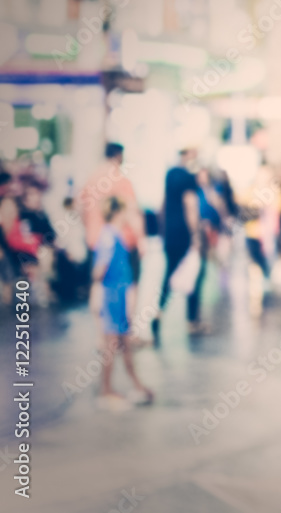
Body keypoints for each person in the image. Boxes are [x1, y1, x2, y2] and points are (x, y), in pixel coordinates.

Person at [93, 197, 153, 411]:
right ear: (118, 212)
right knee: (113, 344)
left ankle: (135, 385)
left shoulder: (114, 235)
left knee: (124, 344)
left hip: (117, 295)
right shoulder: (110, 236)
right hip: (114, 296)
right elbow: (99, 269)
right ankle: (106, 390)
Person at [80, 143, 145, 313]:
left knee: (98, 284)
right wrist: (141, 240)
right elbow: (131, 211)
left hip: (95, 239)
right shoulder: (120, 180)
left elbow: (81, 210)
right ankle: (128, 331)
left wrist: (90, 231)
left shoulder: (91, 179)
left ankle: (102, 335)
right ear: (118, 156)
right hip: (122, 242)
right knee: (130, 285)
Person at [155, 148, 205, 343]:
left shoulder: (170, 175)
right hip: (184, 233)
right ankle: (191, 321)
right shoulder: (187, 178)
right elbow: (190, 205)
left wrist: (162, 228)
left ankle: (158, 312)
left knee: (169, 274)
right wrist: (195, 235)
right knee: (195, 275)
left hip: (170, 233)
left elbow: (163, 204)